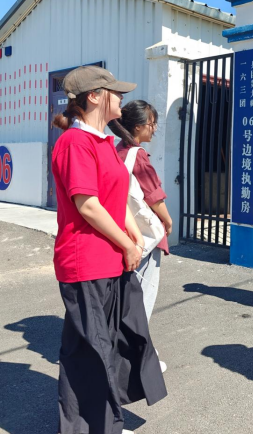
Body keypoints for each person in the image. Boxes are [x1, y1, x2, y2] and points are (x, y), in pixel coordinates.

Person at [51, 66, 167, 434]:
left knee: (111, 343)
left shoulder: (103, 142)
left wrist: (132, 235)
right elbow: (87, 205)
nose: (121, 98)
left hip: (111, 260)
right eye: (115, 92)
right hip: (86, 261)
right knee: (90, 352)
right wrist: (127, 242)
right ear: (94, 97)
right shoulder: (75, 142)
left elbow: (117, 197)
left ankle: (96, 423)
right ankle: (95, 428)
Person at [109, 100, 173, 372]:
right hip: (145, 236)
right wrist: (168, 220)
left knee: (126, 296)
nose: (154, 128)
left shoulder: (117, 150)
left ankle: (129, 350)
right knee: (143, 298)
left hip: (123, 233)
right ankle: (139, 357)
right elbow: (154, 195)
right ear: (137, 127)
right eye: (151, 123)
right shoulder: (138, 155)